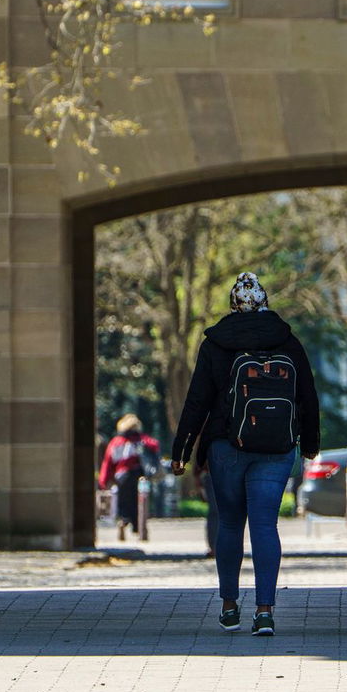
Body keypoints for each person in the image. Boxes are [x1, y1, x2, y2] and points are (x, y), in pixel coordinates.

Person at [169, 273, 320, 637]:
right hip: (277, 447)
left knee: (231, 524)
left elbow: (196, 401)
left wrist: (182, 451)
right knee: (266, 525)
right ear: (266, 302)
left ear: (233, 305)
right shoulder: (288, 341)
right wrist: (311, 445)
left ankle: (229, 605)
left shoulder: (216, 342)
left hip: (226, 446)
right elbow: (307, 395)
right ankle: (265, 611)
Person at [99, 414, 160, 541]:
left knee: (124, 503)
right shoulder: (143, 440)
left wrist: (104, 481)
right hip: (140, 476)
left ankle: (123, 522)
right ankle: (141, 529)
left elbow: (108, 463)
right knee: (141, 501)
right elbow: (155, 446)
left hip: (122, 477)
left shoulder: (115, 443)